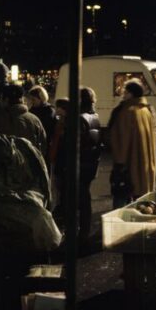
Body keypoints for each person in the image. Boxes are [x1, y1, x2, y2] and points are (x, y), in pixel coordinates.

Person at [53, 87, 103, 244]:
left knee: (73, 201)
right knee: (84, 199)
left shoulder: (79, 119)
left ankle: (76, 235)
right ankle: (84, 232)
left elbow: (71, 145)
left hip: (77, 166)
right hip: (90, 165)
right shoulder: (94, 116)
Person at [109, 80, 156, 207]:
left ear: (130, 94)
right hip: (144, 164)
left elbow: (121, 139)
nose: (123, 95)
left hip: (129, 164)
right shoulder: (146, 110)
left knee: (121, 197)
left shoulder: (127, 111)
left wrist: (120, 163)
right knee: (140, 198)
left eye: (125, 92)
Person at [0, 83, 48, 156]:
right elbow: (43, 145)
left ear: (6, 100)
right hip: (30, 161)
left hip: (4, 162)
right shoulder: (34, 119)